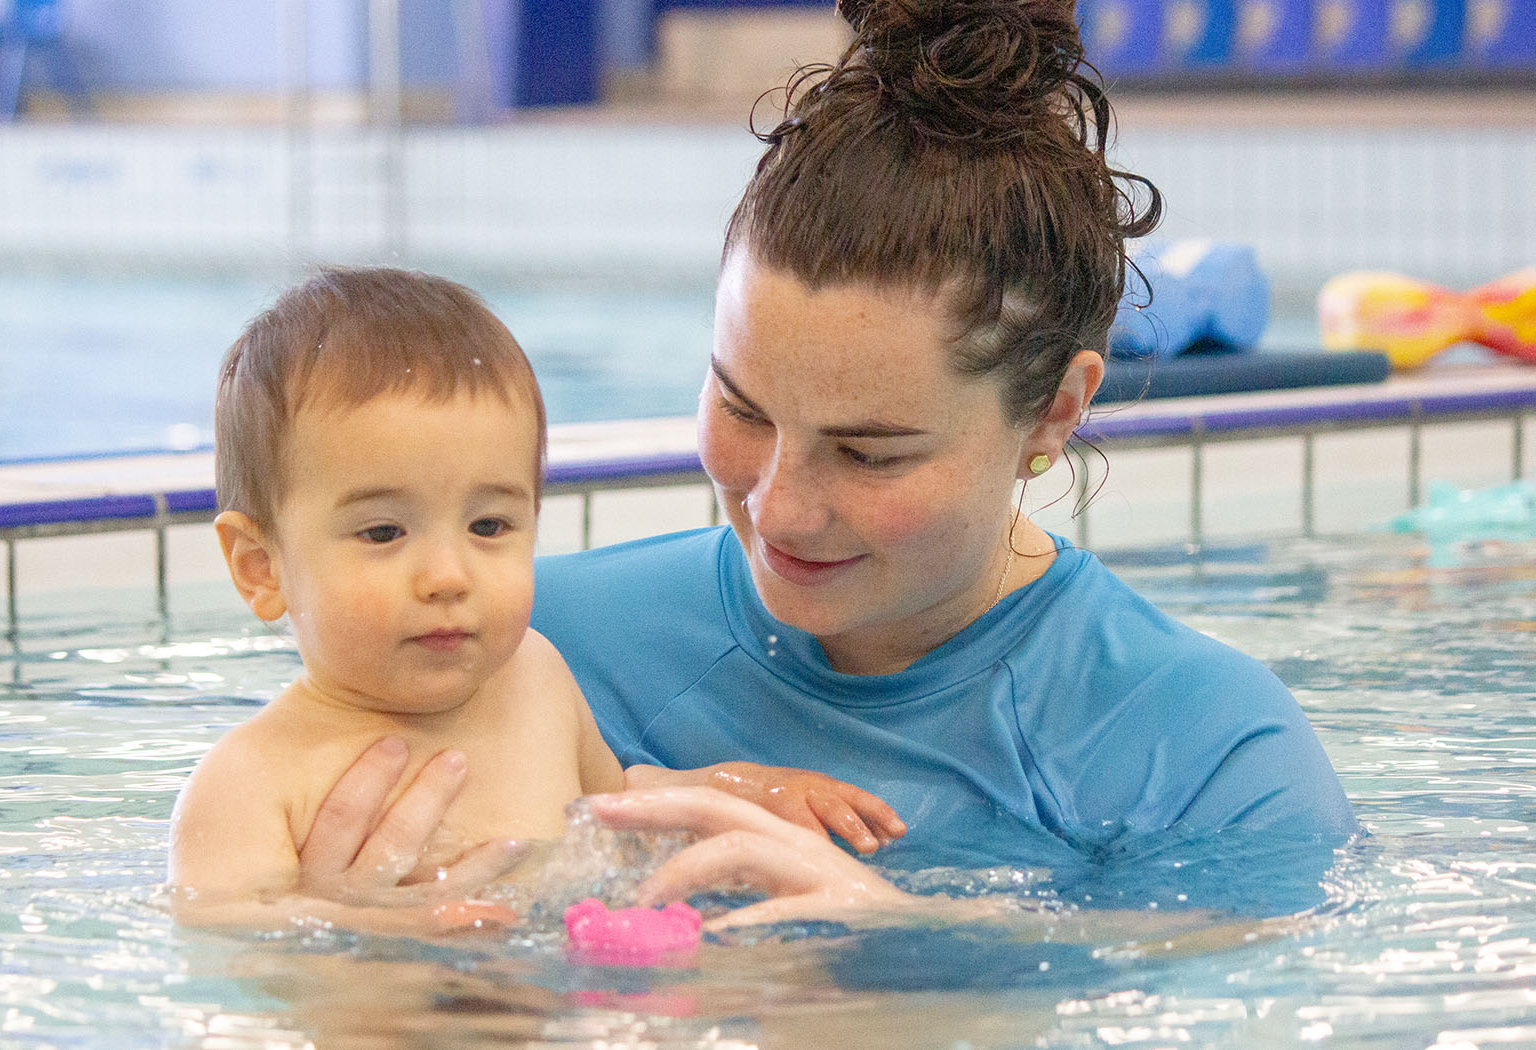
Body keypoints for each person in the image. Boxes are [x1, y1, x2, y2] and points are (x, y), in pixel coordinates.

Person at [289, 0, 1361, 930]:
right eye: (741, 408)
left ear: (1056, 409)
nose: (781, 506)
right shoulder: (505, 649)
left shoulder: (1204, 755)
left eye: (870, 451)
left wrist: (911, 932)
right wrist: (335, 933)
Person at [167, 267, 903, 931]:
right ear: (261, 568)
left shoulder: (534, 675)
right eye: (383, 531)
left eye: (489, 524)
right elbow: (232, 940)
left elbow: (613, 806)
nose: (447, 575)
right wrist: (368, 930)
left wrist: (736, 795)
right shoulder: (252, 782)